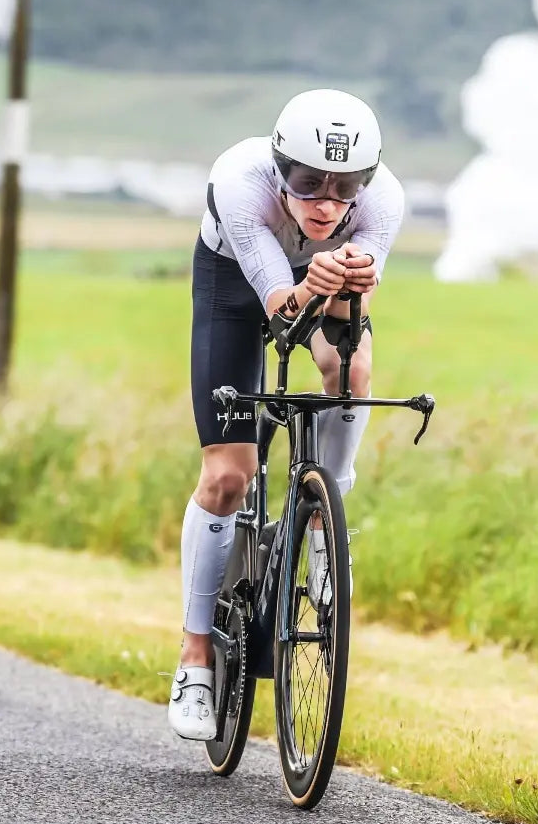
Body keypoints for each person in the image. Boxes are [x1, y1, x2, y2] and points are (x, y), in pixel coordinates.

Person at [168, 88, 405, 740]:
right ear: (280, 169)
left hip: (317, 287)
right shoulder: (241, 185)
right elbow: (282, 318)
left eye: (346, 186)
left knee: (353, 367)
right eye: (308, 183)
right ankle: (194, 659)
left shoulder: (383, 202)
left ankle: (326, 525)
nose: (328, 204)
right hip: (237, 291)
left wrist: (347, 280)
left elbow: (345, 319)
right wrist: (312, 283)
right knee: (228, 476)